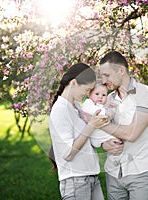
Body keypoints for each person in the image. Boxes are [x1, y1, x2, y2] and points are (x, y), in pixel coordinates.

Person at [99, 51, 148, 200]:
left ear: (121, 70)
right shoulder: (107, 99)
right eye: (102, 76)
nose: (103, 80)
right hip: (113, 170)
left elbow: (131, 133)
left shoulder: (147, 94)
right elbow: (101, 136)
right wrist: (104, 144)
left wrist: (99, 124)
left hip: (139, 170)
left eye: (106, 75)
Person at [49, 63, 109, 200]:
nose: (88, 94)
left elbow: (87, 140)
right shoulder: (60, 109)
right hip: (76, 181)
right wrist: (91, 126)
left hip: (91, 177)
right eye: (87, 89)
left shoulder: (76, 106)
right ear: (74, 83)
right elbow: (68, 153)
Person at [82, 81, 117, 148]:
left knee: (116, 141)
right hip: (95, 135)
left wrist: (111, 108)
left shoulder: (102, 106)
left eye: (104, 95)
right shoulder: (88, 103)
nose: (100, 97)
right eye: (97, 94)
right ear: (89, 94)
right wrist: (107, 111)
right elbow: (96, 111)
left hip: (103, 134)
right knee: (116, 140)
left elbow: (109, 116)